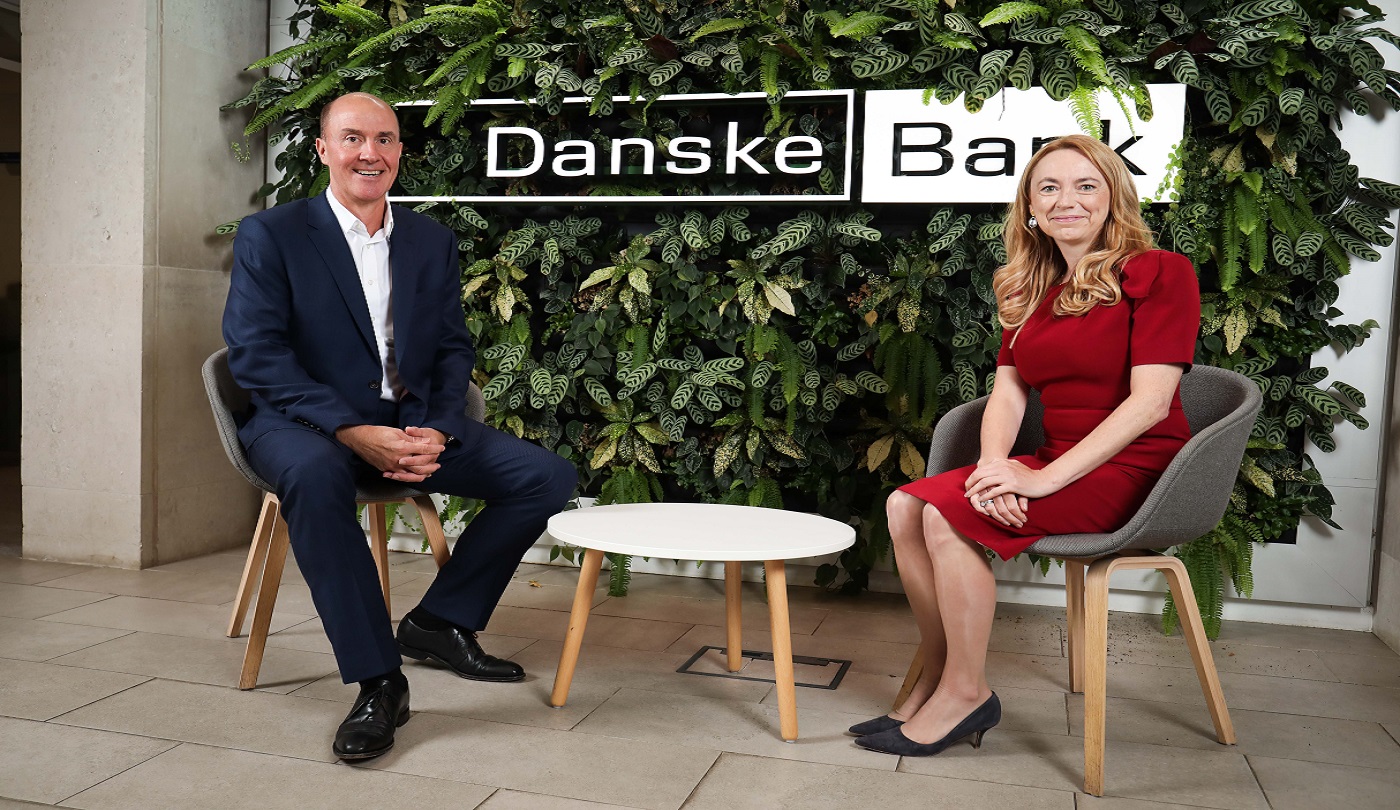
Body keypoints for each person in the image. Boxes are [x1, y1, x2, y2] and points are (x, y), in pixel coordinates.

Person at [223, 92, 578, 761]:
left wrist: (436, 431)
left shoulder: (428, 240)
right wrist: (351, 430)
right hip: (300, 422)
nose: (370, 152)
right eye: (353, 137)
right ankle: (379, 678)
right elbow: (258, 356)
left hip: (409, 423)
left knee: (546, 476)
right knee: (315, 474)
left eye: (385, 139)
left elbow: (450, 350)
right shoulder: (272, 235)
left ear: (399, 154)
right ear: (324, 149)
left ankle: (439, 622)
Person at [852, 134, 1200, 756]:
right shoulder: (1029, 287)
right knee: (904, 506)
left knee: (945, 516)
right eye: (1050, 188)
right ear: (1031, 209)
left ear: (1113, 197)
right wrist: (993, 466)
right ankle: (941, 674)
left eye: (1085, 185)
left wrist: (1039, 481)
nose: (1068, 200)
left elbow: (1150, 404)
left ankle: (965, 695)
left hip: (1137, 471)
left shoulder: (1159, 272)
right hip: (1056, 460)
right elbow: (1007, 395)